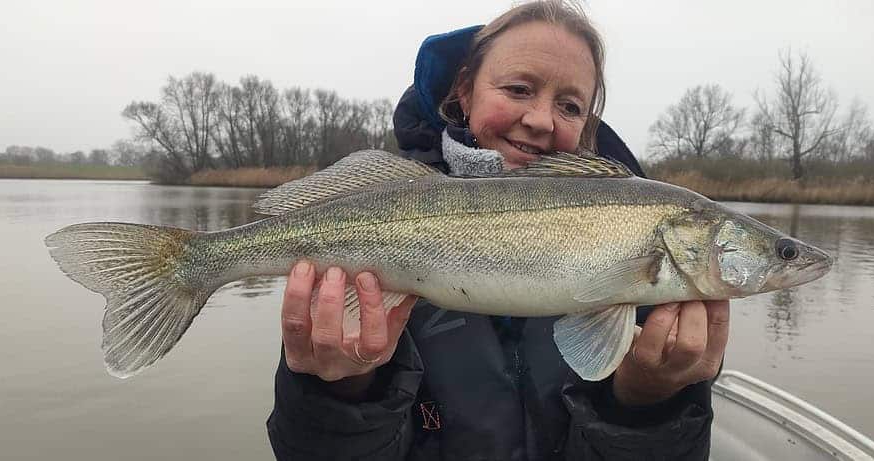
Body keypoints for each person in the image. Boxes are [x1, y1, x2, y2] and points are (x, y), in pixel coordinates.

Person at [267, 2, 730, 459]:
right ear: (465, 91)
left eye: (569, 105)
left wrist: (648, 400)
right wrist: (345, 387)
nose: (541, 119)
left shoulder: (655, 276)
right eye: (519, 88)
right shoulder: (390, 206)